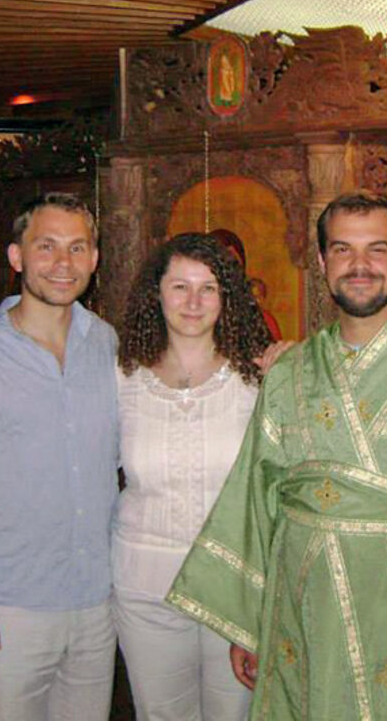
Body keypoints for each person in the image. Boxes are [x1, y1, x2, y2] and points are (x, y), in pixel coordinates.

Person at [167, 191, 387, 719]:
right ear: (323, 263)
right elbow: (253, 499)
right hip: (303, 609)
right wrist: (248, 621)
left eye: (377, 249)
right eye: (343, 250)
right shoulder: (290, 372)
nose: (360, 265)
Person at [0, 193, 119, 720]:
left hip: (96, 599)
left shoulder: (106, 345)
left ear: (94, 259)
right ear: (17, 256)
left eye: (77, 247)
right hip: (9, 603)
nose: (63, 263)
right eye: (46, 246)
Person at [113, 233, 271, 719]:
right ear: (157, 293)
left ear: (228, 298)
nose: (194, 302)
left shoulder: (258, 378)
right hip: (145, 587)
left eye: (208, 288)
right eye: (180, 287)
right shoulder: (121, 378)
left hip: (233, 586)